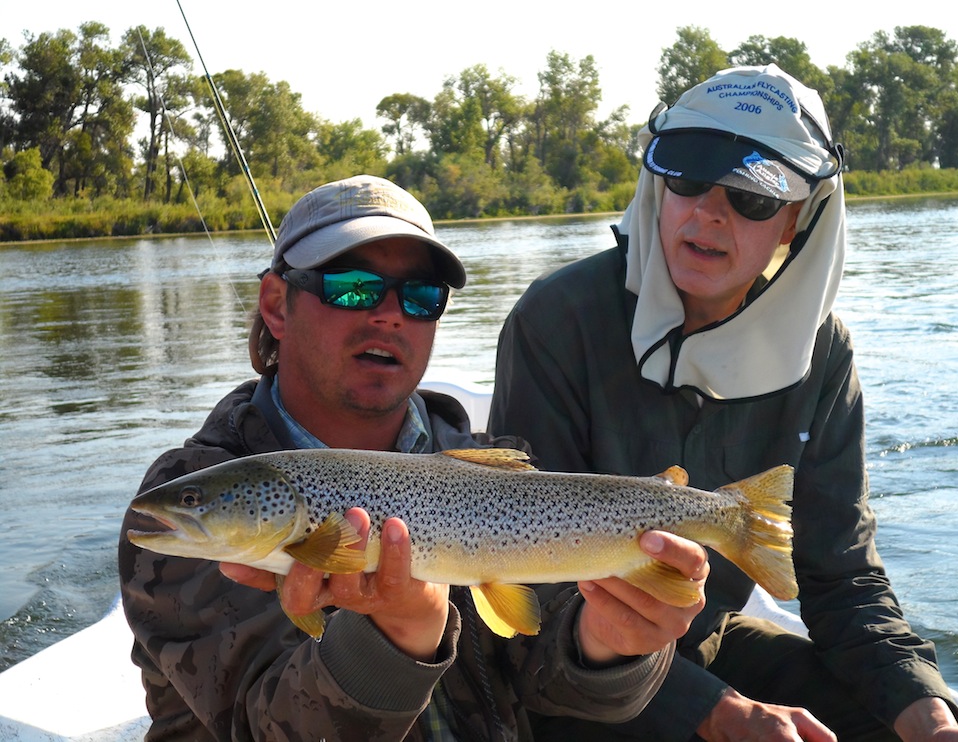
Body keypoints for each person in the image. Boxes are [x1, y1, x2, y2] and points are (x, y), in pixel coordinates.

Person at [488, 65, 958, 742]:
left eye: (755, 196)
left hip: (711, 639)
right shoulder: (555, 319)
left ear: (793, 223)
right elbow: (532, 590)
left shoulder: (824, 354)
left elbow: (842, 582)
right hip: (574, 661)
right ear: (659, 189)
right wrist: (717, 713)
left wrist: (931, 717)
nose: (708, 214)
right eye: (688, 179)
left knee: (889, 721)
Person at [119, 175, 709, 741]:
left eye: (422, 295)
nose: (389, 313)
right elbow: (260, 724)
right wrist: (396, 636)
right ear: (277, 305)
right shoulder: (187, 493)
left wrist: (610, 642)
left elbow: (554, 680)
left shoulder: (488, 466)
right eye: (352, 286)